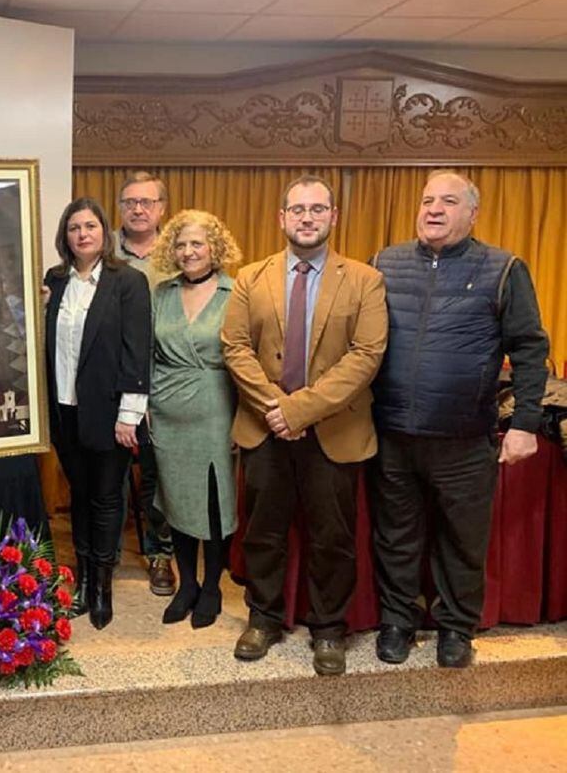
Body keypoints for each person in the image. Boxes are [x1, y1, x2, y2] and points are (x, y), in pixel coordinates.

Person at [369, 170, 549, 669]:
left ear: (473, 212)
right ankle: (398, 621)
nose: (434, 209)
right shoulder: (384, 263)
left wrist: (526, 423)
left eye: (448, 201)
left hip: (465, 438)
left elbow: (531, 350)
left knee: (463, 541)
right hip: (392, 434)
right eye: (427, 200)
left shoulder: (504, 268)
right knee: (395, 538)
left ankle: (455, 629)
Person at [221, 175, 387, 676]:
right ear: (282, 218)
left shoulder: (363, 279)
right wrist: (278, 408)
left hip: (333, 432)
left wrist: (300, 411)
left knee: (331, 536)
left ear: (334, 217)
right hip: (264, 429)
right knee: (263, 531)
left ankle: (329, 628)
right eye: (298, 210)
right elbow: (235, 347)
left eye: (318, 209)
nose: (307, 218)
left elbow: (367, 355)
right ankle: (265, 616)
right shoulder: (252, 277)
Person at [44, 197, 151, 630]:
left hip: (111, 414)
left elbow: (136, 349)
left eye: (90, 226)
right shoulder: (54, 280)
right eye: (73, 228)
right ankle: (83, 582)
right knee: (80, 499)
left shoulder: (127, 282)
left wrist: (130, 414)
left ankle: (102, 587)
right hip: (65, 410)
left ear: (104, 232)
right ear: (64, 236)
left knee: (108, 500)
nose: (82, 234)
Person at [148, 210, 242, 628]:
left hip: (217, 410)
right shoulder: (162, 295)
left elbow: (246, 360)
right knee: (177, 500)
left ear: (214, 248)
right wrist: (146, 407)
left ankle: (211, 587)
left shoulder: (235, 293)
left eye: (197, 244)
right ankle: (186, 584)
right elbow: (147, 355)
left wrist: (245, 419)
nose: (188, 252)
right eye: (181, 244)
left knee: (214, 502)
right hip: (167, 413)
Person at [114, 171, 178, 597]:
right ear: (120, 208)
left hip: (162, 385)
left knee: (157, 476)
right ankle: (104, 555)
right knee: (110, 475)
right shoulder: (100, 252)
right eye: (130, 202)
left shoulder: (179, 255)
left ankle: (159, 553)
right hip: (111, 382)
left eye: (147, 202)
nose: (139, 209)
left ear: (161, 209)